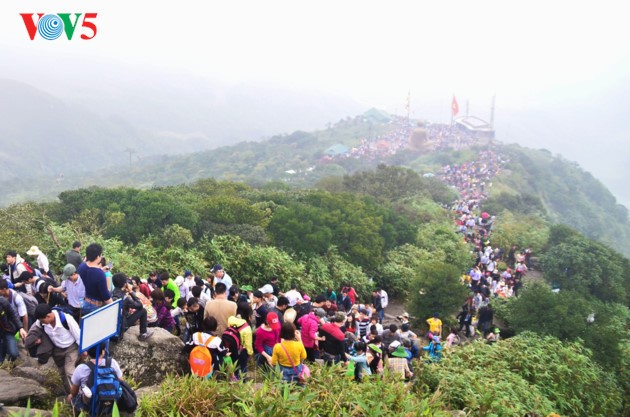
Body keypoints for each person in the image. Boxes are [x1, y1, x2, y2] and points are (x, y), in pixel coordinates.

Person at [31, 303, 81, 388]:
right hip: (57, 350)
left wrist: (84, 350)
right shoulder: (41, 322)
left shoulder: (66, 319)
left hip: (71, 348)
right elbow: (34, 329)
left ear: (49, 316)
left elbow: (78, 336)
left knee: (69, 371)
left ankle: (77, 394)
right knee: (61, 372)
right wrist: (34, 339)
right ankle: (68, 392)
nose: (42, 323)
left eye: (43, 321)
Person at [67, 345, 123, 413]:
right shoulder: (112, 362)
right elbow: (121, 380)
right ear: (103, 352)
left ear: (88, 352)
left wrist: (72, 396)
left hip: (91, 405)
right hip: (112, 401)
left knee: (71, 398)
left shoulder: (81, 368)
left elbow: (74, 391)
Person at [111, 273, 153, 341]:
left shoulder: (112, 293)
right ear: (125, 284)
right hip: (122, 327)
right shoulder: (125, 298)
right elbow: (140, 305)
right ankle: (143, 333)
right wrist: (131, 292)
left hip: (113, 327)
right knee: (143, 311)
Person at [77, 243, 113, 316]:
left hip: (84, 302)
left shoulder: (81, 266)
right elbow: (106, 296)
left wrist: (101, 270)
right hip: (95, 307)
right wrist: (115, 308)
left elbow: (90, 273)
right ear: (98, 257)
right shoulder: (100, 274)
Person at [0, 296, 27, 362]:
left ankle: (10, 364)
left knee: (14, 354)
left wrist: (21, 328)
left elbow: (13, 315)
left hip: (7, 330)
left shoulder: (3, 302)